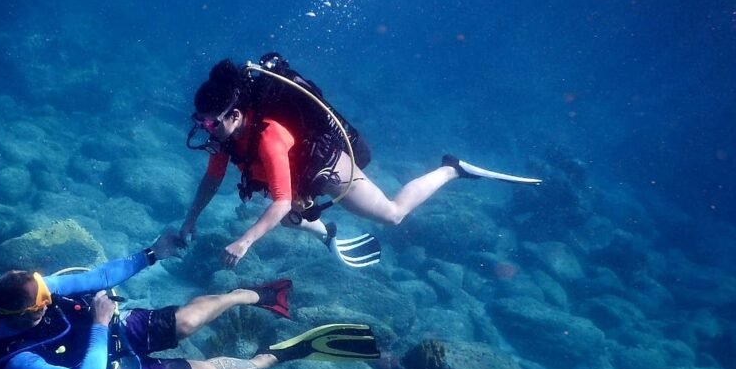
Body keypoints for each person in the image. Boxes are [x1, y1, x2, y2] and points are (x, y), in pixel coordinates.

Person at [0, 232, 380, 369]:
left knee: (189, 321)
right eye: (45, 298)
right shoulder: (18, 363)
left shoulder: (40, 291)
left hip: (106, 333)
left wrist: (152, 254)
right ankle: (286, 353)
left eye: (46, 289)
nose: (52, 294)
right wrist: (99, 324)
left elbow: (98, 277)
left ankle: (256, 295)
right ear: (26, 314)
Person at [181, 54, 540, 269]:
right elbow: (211, 182)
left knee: (393, 215)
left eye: (211, 122)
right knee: (286, 220)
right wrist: (190, 222)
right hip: (298, 173)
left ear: (235, 115)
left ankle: (452, 169)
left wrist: (244, 242)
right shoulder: (226, 140)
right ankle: (329, 234)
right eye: (201, 122)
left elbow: (280, 201)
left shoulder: (269, 135)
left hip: (327, 166)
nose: (206, 130)